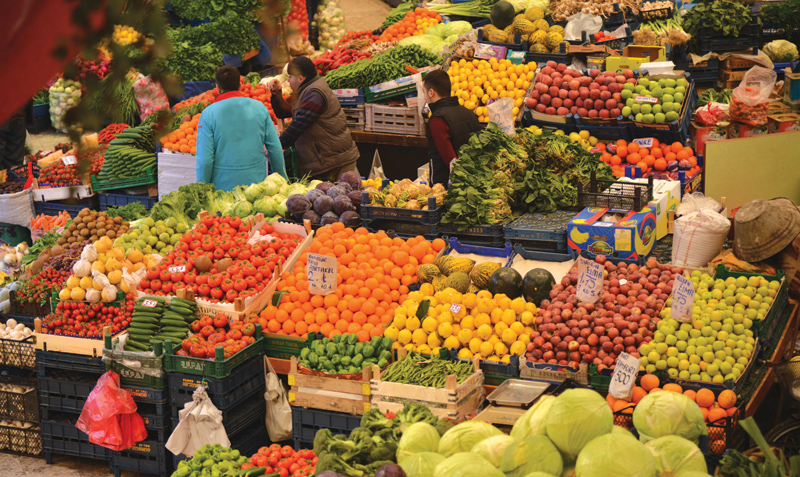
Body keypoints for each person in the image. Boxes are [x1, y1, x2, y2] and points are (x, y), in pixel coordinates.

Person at [196, 65, 287, 191]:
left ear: (217, 87)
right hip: (256, 186)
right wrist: (282, 180)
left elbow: (205, 159)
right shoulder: (259, 108)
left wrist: (202, 188)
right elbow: (275, 148)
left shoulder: (208, 114)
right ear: (240, 85)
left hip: (223, 188)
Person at [270, 57, 359, 181]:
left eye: (290, 77)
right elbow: (283, 112)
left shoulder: (315, 93)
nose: (288, 80)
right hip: (327, 160)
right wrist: (276, 93)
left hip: (335, 163)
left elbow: (300, 124)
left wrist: (276, 145)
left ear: (300, 78)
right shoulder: (305, 91)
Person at [421, 69, 482, 187]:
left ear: (431, 92)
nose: (424, 97)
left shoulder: (438, 120)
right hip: (473, 182)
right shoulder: (469, 114)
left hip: (448, 187)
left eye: (424, 92)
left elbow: (451, 161)